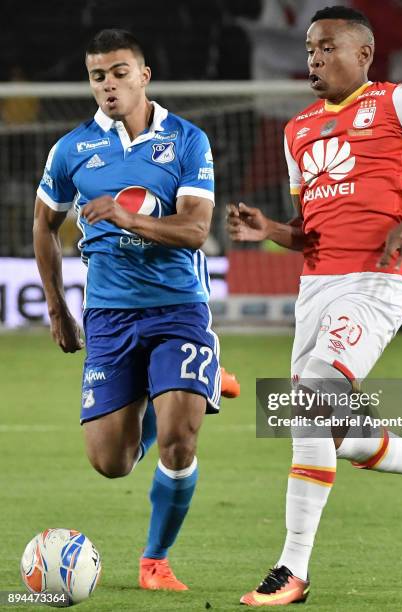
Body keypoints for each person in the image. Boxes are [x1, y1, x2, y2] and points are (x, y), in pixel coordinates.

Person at [227, 5, 402, 606]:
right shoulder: (295, 129)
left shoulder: (401, 102)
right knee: (330, 431)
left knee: (311, 401)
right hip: (316, 285)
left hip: (379, 278)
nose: (314, 59)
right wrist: (269, 227)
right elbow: (309, 232)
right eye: (309, 50)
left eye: (327, 47)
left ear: (363, 54)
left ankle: (292, 571)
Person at [33, 28, 238, 592]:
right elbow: (43, 225)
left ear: (143, 76)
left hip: (177, 308)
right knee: (111, 463)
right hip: (108, 317)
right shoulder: (72, 149)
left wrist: (126, 217)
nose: (108, 85)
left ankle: (155, 560)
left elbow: (196, 229)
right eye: (98, 75)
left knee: (178, 438)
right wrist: (57, 309)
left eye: (120, 72)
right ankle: (191, 380)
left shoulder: (187, 140)